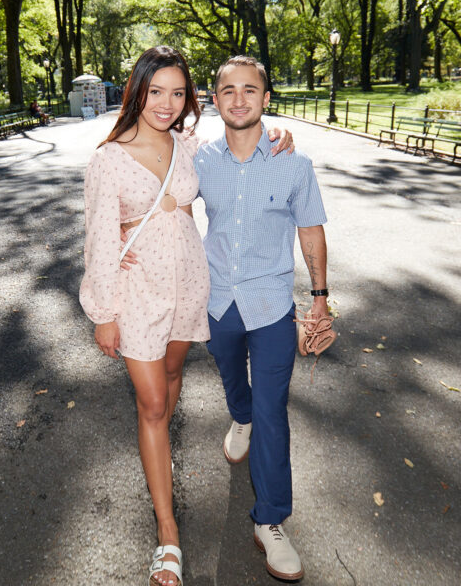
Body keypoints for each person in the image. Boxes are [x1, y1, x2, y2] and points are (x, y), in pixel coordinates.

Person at [79, 46, 292, 586]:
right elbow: (99, 241)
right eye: (156, 91)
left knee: (172, 378)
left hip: (189, 285)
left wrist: (277, 135)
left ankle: (157, 455)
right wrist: (104, 313)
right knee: (153, 403)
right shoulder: (108, 159)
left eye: (178, 93)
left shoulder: (189, 146)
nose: (167, 103)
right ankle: (168, 531)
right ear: (137, 90)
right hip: (137, 293)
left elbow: (240, 143)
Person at [196, 55, 328, 582]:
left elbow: (311, 229)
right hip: (217, 301)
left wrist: (319, 298)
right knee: (234, 381)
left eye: (250, 90)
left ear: (266, 99)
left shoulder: (294, 163)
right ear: (215, 100)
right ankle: (240, 416)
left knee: (273, 409)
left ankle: (270, 519)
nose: (239, 99)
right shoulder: (198, 160)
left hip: (272, 304)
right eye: (228, 90)